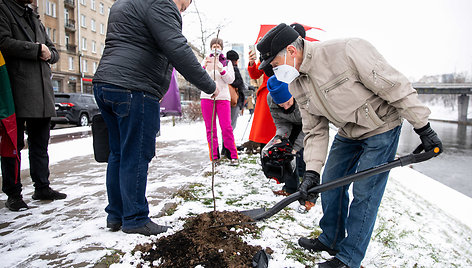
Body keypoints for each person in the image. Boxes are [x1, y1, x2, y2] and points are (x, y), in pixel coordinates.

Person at [256, 23, 443, 268]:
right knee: (330, 183)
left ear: (291, 50)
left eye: (275, 64)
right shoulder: (297, 83)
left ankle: (349, 258)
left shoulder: (347, 51)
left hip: (382, 127)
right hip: (348, 131)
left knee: (365, 193)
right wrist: (312, 172)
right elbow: (315, 129)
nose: (275, 71)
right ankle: (331, 239)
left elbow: (395, 86)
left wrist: (423, 127)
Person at [92, 0, 218, 236]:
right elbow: (178, 49)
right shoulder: (161, 3)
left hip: (105, 83)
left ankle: (116, 214)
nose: (186, 7)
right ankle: (135, 218)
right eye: (187, 2)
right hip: (133, 87)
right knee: (136, 153)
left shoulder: (124, 3)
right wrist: (209, 85)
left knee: (118, 153)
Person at [0, 0, 67, 211]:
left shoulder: (33, 16)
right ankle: (13, 193)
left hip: (42, 92)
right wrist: (37, 49)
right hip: (17, 90)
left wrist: (49, 53)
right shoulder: (4, 9)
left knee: (40, 145)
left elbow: (53, 51)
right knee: (13, 146)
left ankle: (42, 187)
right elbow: (3, 41)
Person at [263, 76, 316, 210]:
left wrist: (295, 149)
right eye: (281, 105)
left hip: (310, 123)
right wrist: (281, 138)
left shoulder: (303, 95)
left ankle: (310, 195)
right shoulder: (271, 100)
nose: (285, 107)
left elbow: (308, 126)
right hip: (291, 124)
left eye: (288, 102)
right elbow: (281, 123)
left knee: (306, 156)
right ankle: (291, 188)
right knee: (286, 155)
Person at [200, 38, 238, 165]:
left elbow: (231, 79)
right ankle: (214, 157)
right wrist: (204, 66)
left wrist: (221, 69)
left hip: (223, 97)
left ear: (221, 48)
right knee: (210, 129)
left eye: (218, 46)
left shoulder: (226, 62)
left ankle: (232, 155)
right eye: (213, 45)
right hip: (207, 96)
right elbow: (199, 77)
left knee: (226, 127)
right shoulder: (206, 60)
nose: (215, 48)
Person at [247, 45, 276, 152]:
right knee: (265, 133)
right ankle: (265, 158)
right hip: (265, 96)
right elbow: (255, 74)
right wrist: (251, 63)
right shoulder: (265, 57)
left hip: (283, 92)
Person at [226, 50, 245, 130]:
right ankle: (227, 142)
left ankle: (225, 141)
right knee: (231, 124)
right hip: (234, 99)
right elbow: (240, 83)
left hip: (226, 98)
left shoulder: (224, 68)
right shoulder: (234, 69)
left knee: (226, 123)